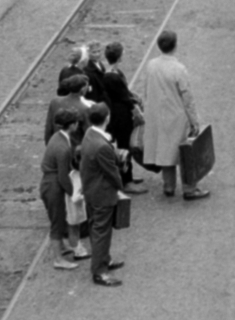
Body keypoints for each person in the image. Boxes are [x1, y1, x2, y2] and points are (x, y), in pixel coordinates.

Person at [139, 30, 207, 200]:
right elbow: (187, 98)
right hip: (176, 116)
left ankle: (168, 185)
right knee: (185, 152)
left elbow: (146, 90)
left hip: (157, 114)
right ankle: (189, 188)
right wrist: (194, 121)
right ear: (175, 46)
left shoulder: (151, 65)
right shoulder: (179, 69)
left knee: (165, 150)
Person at [78, 102, 125, 286]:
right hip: (102, 194)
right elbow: (112, 172)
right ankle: (99, 271)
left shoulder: (89, 134)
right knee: (101, 232)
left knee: (96, 228)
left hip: (91, 190)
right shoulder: (102, 146)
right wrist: (120, 186)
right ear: (107, 118)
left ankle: (104, 259)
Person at [41, 108, 84, 269]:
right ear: (72, 125)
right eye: (76, 122)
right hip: (54, 186)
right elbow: (62, 176)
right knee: (57, 223)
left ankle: (61, 248)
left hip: (48, 182)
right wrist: (74, 193)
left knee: (57, 219)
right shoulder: (63, 147)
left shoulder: (57, 137)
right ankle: (58, 259)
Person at [101, 40, 145, 192]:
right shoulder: (111, 77)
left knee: (126, 143)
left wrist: (133, 97)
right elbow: (123, 97)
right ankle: (126, 181)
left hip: (122, 112)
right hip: (120, 115)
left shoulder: (114, 73)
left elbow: (125, 93)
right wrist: (135, 107)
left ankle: (129, 176)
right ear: (119, 57)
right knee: (125, 145)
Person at [43, 74, 94, 145]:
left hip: (55, 144)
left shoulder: (55, 102)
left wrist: (48, 144)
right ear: (82, 89)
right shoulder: (84, 109)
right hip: (73, 149)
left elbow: (49, 127)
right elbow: (88, 134)